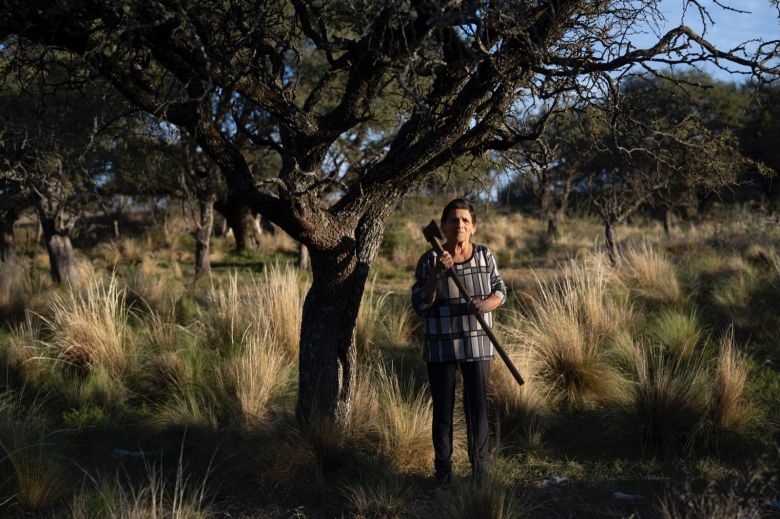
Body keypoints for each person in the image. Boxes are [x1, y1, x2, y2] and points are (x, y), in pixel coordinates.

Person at [411, 198, 507, 485]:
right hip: (441, 346)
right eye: (453, 219)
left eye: (465, 220)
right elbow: (420, 304)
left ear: (474, 228)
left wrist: (488, 304)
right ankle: (443, 473)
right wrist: (437, 275)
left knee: (477, 409)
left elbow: (501, 289)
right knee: (443, 412)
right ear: (443, 227)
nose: (459, 224)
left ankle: (481, 473)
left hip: (478, 345)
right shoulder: (429, 261)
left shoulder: (485, 256)